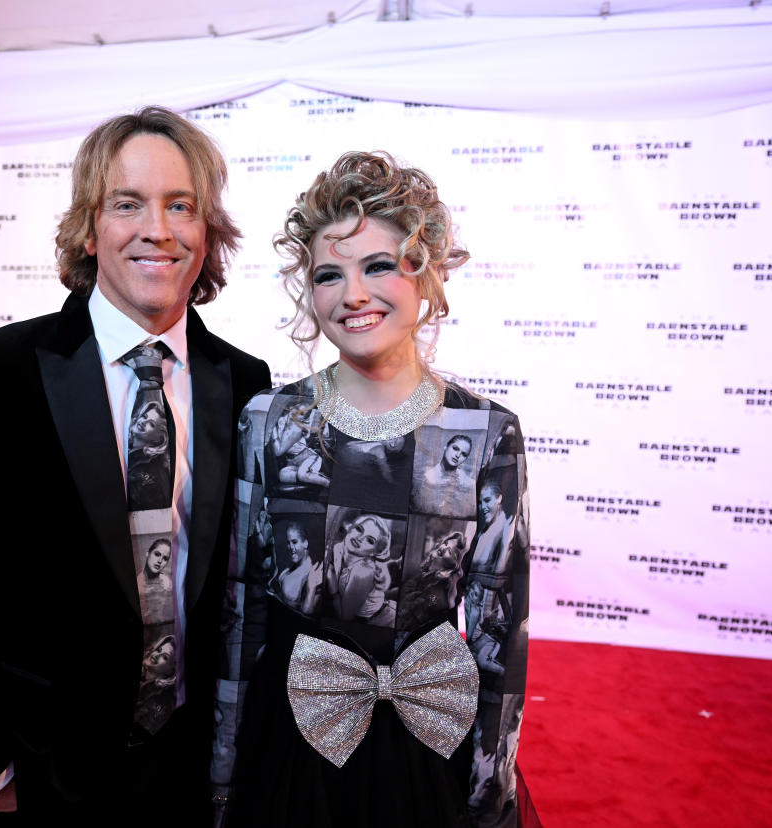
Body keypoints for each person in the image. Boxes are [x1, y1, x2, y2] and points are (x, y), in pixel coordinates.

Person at [0, 105, 271, 827]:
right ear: (90, 229)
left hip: (200, 783)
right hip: (45, 784)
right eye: (127, 204)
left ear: (205, 231)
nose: (158, 229)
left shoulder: (246, 383)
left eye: (181, 205)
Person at [212, 151, 536, 827]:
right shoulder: (268, 420)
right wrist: (223, 774)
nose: (352, 294)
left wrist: (490, 794)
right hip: (290, 742)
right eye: (329, 274)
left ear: (431, 272)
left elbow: (499, 637)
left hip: (428, 753)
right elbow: (239, 609)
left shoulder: (486, 432)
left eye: (379, 265)